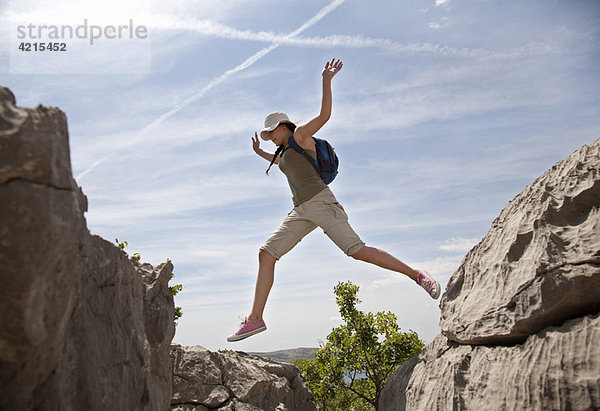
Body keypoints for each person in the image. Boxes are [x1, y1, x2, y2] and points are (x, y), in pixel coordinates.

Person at [227, 58, 441, 342]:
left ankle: (416, 274)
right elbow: (281, 164)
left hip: (322, 203)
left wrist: (326, 81)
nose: (269, 139)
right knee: (266, 254)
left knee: (358, 251)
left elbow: (324, 116)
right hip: (301, 211)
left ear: (283, 127)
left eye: (271, 133)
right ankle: (255, 320)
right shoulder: (282, 153)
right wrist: (259, 153)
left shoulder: (300, 136)